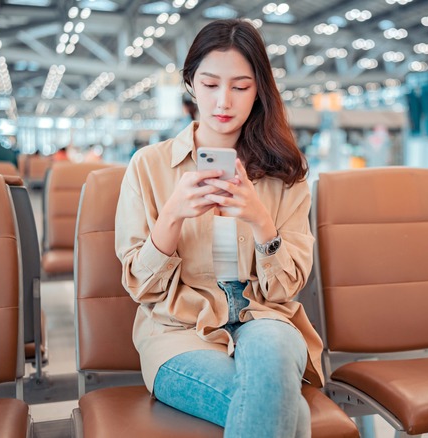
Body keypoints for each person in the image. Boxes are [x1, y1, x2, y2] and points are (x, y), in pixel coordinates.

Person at [114, 19, 322, 437]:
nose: (223, 100)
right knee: (290, 415)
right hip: (178, 332)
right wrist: (172, 216)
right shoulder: (149, 166)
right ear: (190, 83)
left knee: (273, 361)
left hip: (265, 318)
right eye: (210, 84)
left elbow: (286, 290)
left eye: (241, 87)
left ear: (259, 89)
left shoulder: (285, 173)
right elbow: (141, 287)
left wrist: (261, 221)